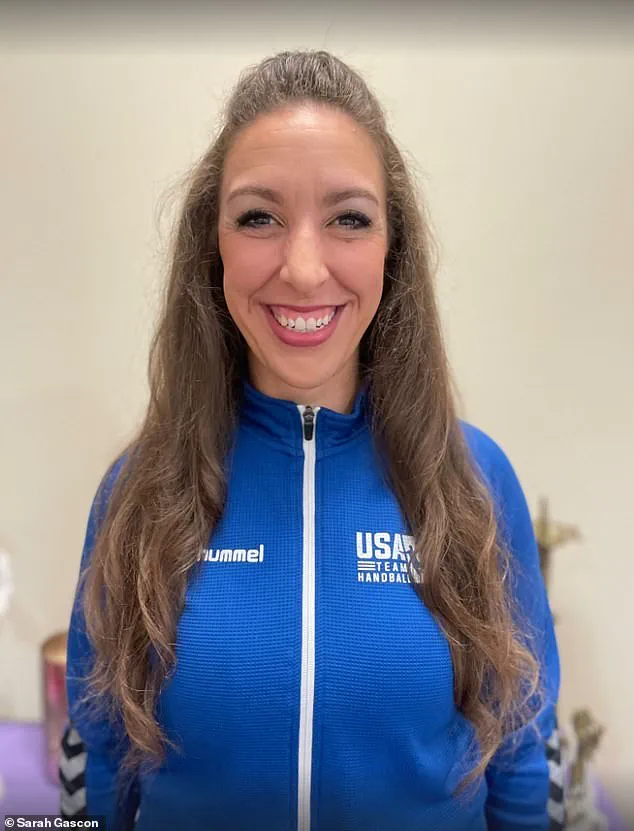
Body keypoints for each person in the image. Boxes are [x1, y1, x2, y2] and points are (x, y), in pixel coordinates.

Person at [61, 50, 561, 831]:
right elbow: (96, 757)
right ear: (213, 244)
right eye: (258, 217)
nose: (301, 269)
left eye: (348, 219)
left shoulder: (474, 480)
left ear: (392, 248)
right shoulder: (139, 489)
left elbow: (523, 753)